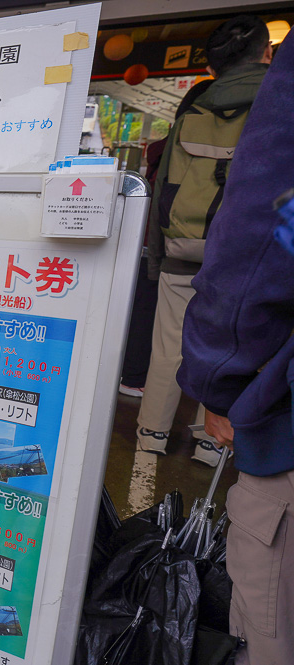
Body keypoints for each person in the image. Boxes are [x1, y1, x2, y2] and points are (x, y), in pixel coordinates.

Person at [177, 31, 292, 665]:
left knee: (271, 630)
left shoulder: (201, 99)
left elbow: (267, 228)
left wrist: (225, 388)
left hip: (286, 426)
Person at [136, 16, 272, 465]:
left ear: (211, 65)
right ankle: (211, 444)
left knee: (168, 348)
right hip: (245, 256)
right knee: (229, 348)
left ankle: (151, 435)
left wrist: (157, 259)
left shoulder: (192, 111)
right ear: (265, 54)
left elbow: (161, 196)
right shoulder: (275, 108)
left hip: (182, 248)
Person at [118, 79, 212, 398]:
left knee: (149, 317)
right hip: (182, 248)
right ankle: (134, 379)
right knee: (165, 325)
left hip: (151, 243)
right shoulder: (205, 152)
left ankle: (135, 381)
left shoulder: (161, 149)